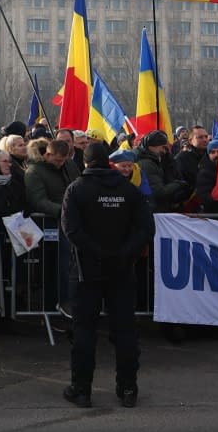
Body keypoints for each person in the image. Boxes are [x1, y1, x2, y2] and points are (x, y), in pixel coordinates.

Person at [60, 140, 154, 408]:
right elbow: (146, 229)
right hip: (121, 270)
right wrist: (124, 253)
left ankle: (81, 389)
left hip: (87, 272)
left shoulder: (76, 190)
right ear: (109, 162)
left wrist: (98, 252)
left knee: (84, 331)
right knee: (125, 331)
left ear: (85, 162)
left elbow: (72, 230)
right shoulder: (129, 190)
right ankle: (127, 389)